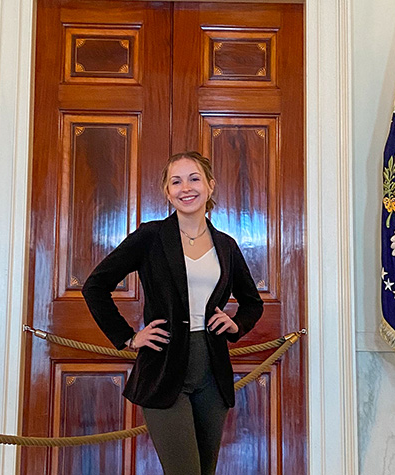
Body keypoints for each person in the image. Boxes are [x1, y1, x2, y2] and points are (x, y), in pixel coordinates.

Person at [82, 151, 264, 475]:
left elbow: (253, 303)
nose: (186, 188)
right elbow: (95, 286)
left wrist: (236, 325)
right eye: (175, 181)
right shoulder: (150, 237)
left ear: (210, 186)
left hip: (212, 374)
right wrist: (128, 337)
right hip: (163, 371)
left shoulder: (226, 245)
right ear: (167, 192)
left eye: (194, 178)